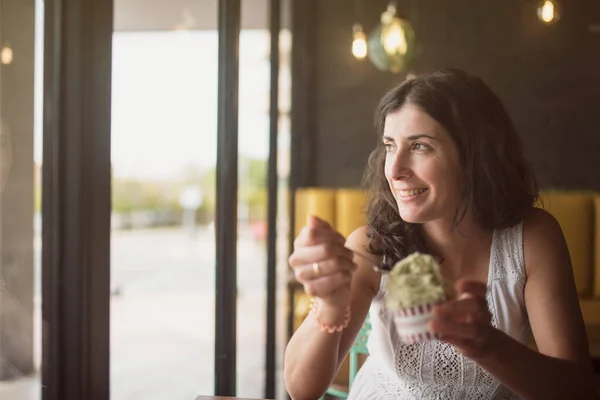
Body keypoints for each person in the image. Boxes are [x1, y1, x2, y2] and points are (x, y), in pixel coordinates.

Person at [283, 69, 598, 399]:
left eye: (419, 146)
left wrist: (486, 344)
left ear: (475, 155)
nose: (394, 170)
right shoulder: (371, 246)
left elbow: (579, 390)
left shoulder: (533, 238)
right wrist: (330, 305)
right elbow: (301, 389)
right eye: (390, 146)